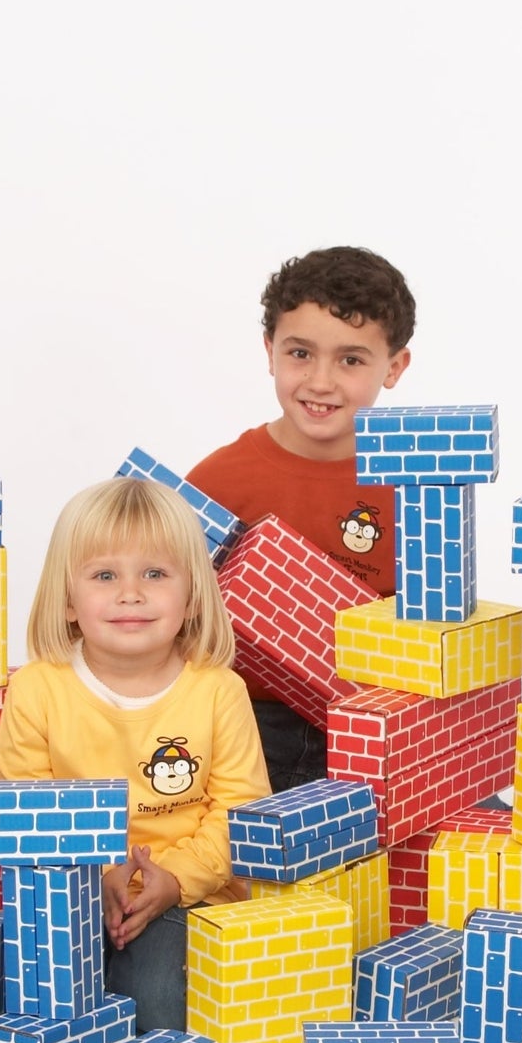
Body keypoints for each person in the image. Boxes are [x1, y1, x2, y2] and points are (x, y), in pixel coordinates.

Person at [0, 477, 270, 1031]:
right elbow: (22, 804)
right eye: (104, 576)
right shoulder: (37, 688)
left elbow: (241, 812)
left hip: (187, 895)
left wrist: (171, 880)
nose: (130, 593)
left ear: (190, 595)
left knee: (153, 1003)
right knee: (11, 994)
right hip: (73, 888)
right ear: (68, 600)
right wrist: (99, 879)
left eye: (155, 574)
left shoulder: (217, 689)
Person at [187, 246, 415, 790]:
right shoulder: (218, 482)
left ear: (395, 367)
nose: (320, 381)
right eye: (300, 353)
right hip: (247, 727)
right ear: (270, 351)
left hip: (381, 724)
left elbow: (438, 633)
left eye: (351, 360)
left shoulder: (419, 490)